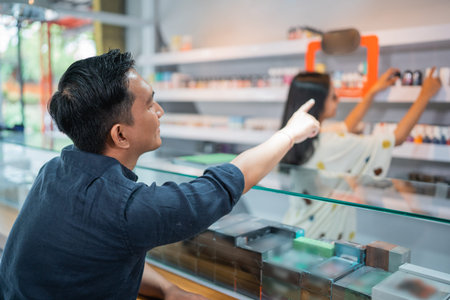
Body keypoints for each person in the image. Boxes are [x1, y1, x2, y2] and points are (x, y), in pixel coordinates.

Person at [0, 50, 320, 300]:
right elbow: (225, 184)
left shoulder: (55, 171)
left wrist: (168, 290)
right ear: (120, 135)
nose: (160, 111)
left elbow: (106, 258)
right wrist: (290, 133)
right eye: (150, 103)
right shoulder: (127, 209)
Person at [280, 67, 442, 240]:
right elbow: (397, 137)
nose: (338, 99)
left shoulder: (296, 135)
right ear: (319, 103)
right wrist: (425, 95)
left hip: (295, 230)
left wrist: (372, 93)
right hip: (321, 243)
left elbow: (347, 127)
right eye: (334, 96)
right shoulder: (331, 143)